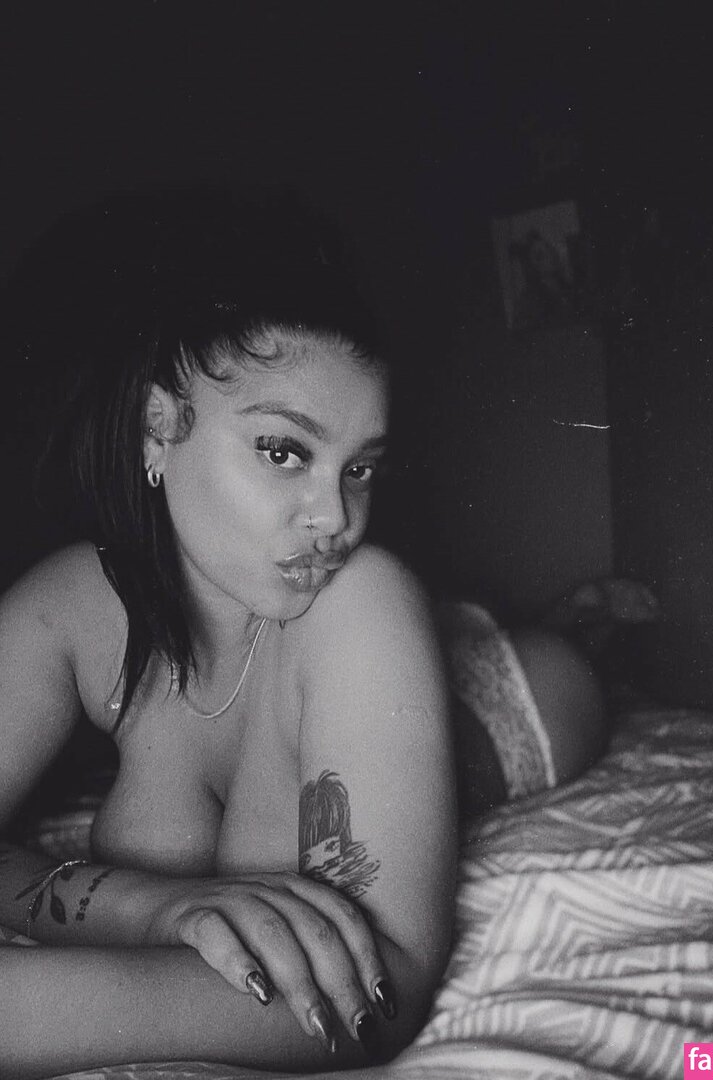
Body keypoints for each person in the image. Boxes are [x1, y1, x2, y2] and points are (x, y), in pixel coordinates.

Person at [0, 189, 457, 1077]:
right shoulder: (70, 606)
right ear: (158, 431)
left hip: (513, 704)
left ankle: (573, 633)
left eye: (360, 468)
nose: (336, 518)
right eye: (285, 451)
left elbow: (383, 981)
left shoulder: (359, 597)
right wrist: (146, 908)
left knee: (547, 662)